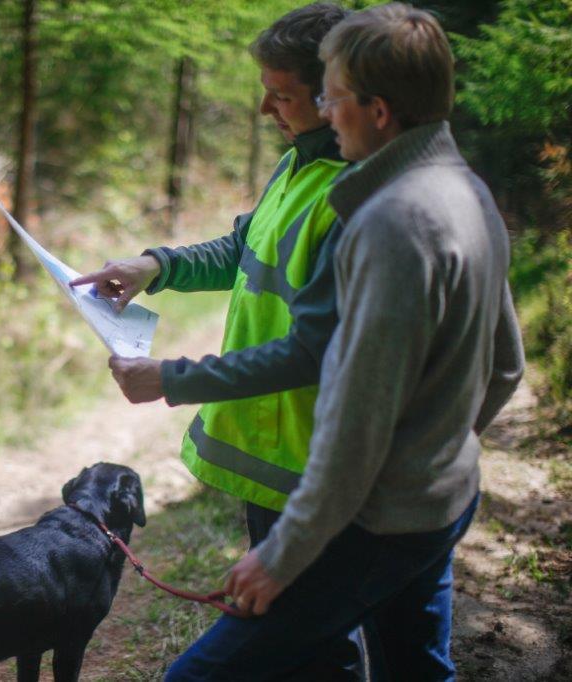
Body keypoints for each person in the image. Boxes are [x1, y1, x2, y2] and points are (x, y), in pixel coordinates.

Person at [160, 4, 525, 680]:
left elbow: (356, 420)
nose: (324, 112)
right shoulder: (469, 192)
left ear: (378, 110)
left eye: (331, 95)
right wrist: (438, 449)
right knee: (414, 670)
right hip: (442, 495)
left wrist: (283, 552)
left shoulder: (390, 222)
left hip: (374, 521)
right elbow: (507, 367)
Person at [73, 5, 364, 675]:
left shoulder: (353, 195)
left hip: (310, 460)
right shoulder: (297, 165)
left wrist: (171, 379)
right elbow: (242, 248)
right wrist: (156, 267)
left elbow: (314, 350)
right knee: (306, 636)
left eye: (281, 94)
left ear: (334, 95)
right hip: (268, 456)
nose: (265, 108)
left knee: (314, 637)